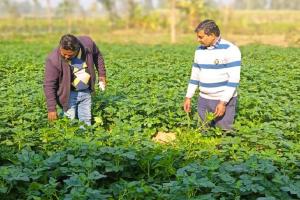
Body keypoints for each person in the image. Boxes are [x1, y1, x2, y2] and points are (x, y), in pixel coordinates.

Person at [183, 19, 241, 131]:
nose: (198, 40)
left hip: (222, 100)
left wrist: (223, 102)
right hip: (203, 100)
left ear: (212, 35)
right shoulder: (199, 50)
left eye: (201, 37)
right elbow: (195, 76)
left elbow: (234, 79)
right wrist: (188, 97)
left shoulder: (230, 50)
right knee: (203, 131)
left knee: (223, 133)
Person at [44, 34, 106, 125]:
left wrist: (102, 74)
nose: (66, 57)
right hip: (68, 94)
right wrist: (51, 109)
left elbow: (97, 55)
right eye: (64, 53)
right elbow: (49, 85)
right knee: (69, 121)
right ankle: (69, 138)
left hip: (86, 91)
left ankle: (85, 136)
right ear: (60, 46)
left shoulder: (87, 44)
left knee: (86, 120)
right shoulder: (53, 60)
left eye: (70, 55)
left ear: (77, 50)